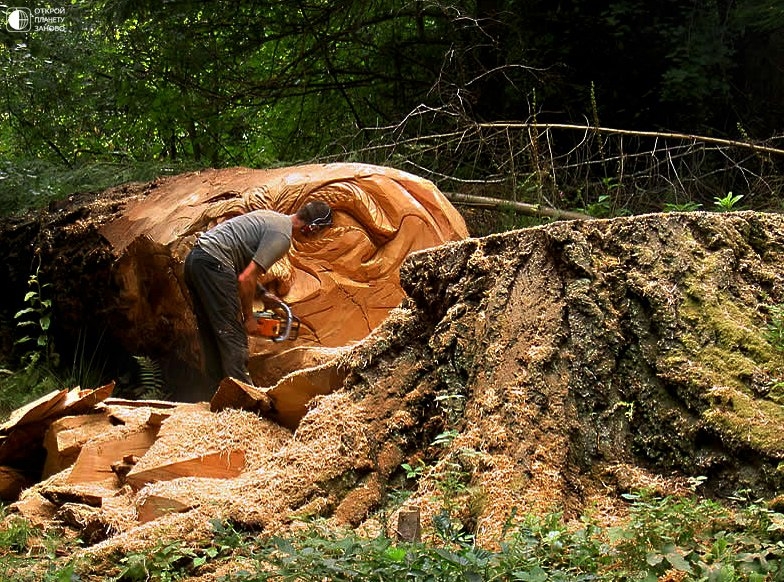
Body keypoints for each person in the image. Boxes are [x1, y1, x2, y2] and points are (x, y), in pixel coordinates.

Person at [183, 200, 333, 401]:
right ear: (311, 228)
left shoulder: (272, 217)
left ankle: (215, 395)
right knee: (232, 334)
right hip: (214, 264)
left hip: (196, 261)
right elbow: (246, 278)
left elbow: (241, 261)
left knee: (212, 332)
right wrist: (249, 318)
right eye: (320, 232)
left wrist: (262, 294)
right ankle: (243, 401)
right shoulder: (282, 237)